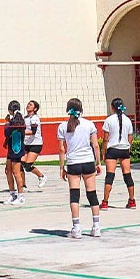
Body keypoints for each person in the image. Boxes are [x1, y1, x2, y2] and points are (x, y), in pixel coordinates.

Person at [58, 98, 102, 238]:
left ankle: (76, 228)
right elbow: (95, 145)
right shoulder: (89, 124)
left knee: (74, 196)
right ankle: (96, 227)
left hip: (73, 163)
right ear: (81, 109)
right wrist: (98, 163)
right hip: (88, 162)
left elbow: (61, 149)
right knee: (92, 194)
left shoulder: (62, 126)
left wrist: (61, 168)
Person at [101, 98, 136, 210]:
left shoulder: (109, 120)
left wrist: (104, 152)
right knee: (127, 175)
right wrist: (128, 148)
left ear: (112, 107)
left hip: (113, 149)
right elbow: (130, 137)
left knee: (110, 176)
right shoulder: (128, 120)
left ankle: (105, 202)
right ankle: (132, 201)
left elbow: (105, 138)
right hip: (124, 149)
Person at [2, 101, 27, 205]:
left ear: (9, 110)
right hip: (12, 149)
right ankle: (12, 194)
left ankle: (21, 196)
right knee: (8, 171)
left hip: (16, 149)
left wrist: (7, 123)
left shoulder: (15, 121)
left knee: (16, 173)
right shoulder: (16, 120)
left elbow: (7, 132)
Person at [20, 100, 47, 189]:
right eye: (28, 104)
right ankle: (23, 185)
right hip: (26, 143)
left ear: (35, 108)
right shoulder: (25, 118)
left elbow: (33, 132)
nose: (28, 105)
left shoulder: (35, 118)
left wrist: (21, 132)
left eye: (30, 105)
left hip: (36, 144)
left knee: (28, 166)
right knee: (21, 164)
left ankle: (41, 177)